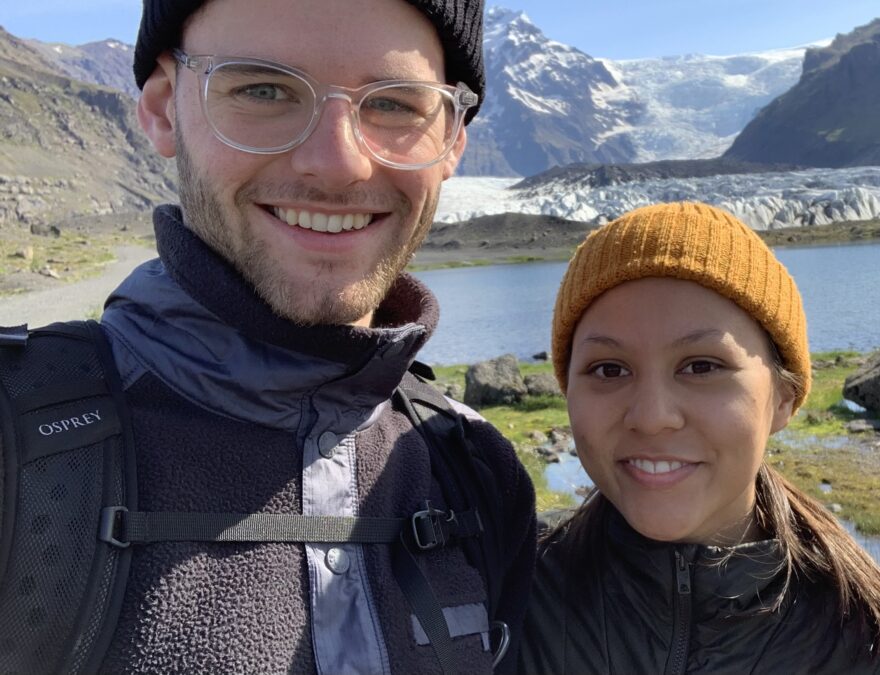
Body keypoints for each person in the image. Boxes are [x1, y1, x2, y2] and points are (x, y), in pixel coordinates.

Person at [0, 0, 534, 673]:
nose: (338, 164)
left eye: (396, 103)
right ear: (164, 108)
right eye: (262, 88)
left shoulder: (474, 472)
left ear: (453, 138)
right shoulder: (18, 438)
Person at [519, 202, 880, 674]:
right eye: (608, 369)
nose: (651, 417)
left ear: (783, 399)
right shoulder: (505, 594)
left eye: (702, 366)